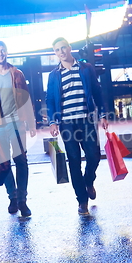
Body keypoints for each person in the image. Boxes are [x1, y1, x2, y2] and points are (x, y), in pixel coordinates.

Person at [46, 37, 108, 216]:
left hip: (87, 120)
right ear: (55, 53)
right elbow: (50, 100)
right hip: (67, 124)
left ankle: (89, 181)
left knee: (94, 156)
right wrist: (52, 121)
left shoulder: (86, 68)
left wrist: (103, 114)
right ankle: (82, 200)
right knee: (74, 161)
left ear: (69, 48)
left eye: (63, 48)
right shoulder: (54, 75)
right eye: (57, 50)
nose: (61, 52)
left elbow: (97, 91)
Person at [0, 41, 37, 217]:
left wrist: (32, 123)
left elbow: (26, 99)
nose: (0, 53)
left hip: (17, 123)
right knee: (4, 165)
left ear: (7, 53)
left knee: (21, 161)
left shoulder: (17, 74)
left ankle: (22, 200)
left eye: (2, 50)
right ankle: (12, 196)